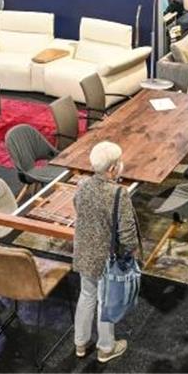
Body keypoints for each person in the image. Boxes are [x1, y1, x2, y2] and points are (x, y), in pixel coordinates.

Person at [72, 141, 138, 363]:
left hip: (83, 252)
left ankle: (80, 343)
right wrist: (130, 254)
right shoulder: (119, 194)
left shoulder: (82, 186)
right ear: (112, 168)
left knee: (86, 295)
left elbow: (78, 208)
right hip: (107, 258)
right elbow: (127, 233)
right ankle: (106, 348)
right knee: (105, 300)